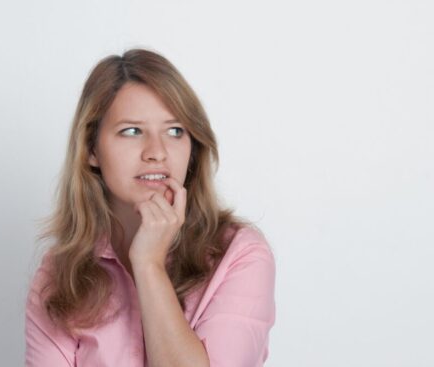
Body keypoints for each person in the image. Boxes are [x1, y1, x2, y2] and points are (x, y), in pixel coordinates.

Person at [24, 48, 276, 367]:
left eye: (175, 131)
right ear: (91, 149)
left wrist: (149, 265)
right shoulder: (60, 273)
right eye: (132, 131)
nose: (157, 152)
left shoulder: (240, 256)